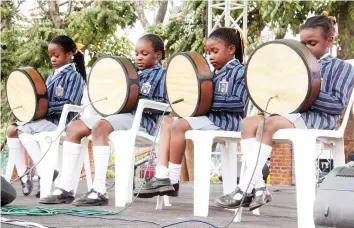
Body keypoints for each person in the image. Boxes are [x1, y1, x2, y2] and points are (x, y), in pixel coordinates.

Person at [215, 14, 354, 211]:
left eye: (312, 43)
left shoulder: (342, 68)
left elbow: (338, 105)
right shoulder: (295, 66)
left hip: (319, 118)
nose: (306, 48)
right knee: (248, 123)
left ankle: (243, 188)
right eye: (303, 43)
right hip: (291, 115)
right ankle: (259, 187)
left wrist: (306, 91)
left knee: (266, 125)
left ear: (329, 41)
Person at [40, 34, 168, 206]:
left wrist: (135, 98)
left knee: (100, 126)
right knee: (74, 127)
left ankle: (99, 190)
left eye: (144, 53)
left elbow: (165, 105)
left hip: (142, 122)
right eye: (137, 53)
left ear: (158, 55)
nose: (138, 57)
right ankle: (65, 189)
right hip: (119, 116)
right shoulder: (131, 73)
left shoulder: (162, 75)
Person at [134, 27, 248, 198]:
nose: (210, 57)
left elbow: (239, 103)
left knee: (179, 125)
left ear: (231, 49)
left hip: (227, 122)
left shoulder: (240, 71)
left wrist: (204, 101)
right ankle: (162, 175)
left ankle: (172, 179)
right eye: (208, 52)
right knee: (168, 123)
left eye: (215, 51)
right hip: (211, 120)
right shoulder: (212, 74)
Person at [6, 35, 86, 198]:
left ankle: (43, 171)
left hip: (62, 123)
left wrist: (43, 108)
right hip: (47, 120)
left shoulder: (74, 76)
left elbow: (70, 103)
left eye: (56, 55)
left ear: (70, 55)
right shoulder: (52, 76)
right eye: (51, 56)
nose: (53, 59)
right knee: (12, 129)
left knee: (20, 130)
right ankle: (26, 174)